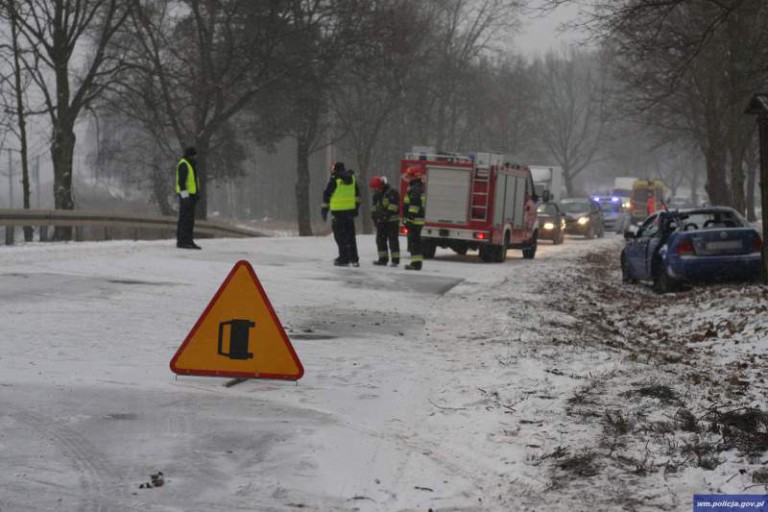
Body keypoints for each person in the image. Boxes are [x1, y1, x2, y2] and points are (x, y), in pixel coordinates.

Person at [321, 162, 361, 267]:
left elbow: (327, 195)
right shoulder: (352, 179)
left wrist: (324, 210)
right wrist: (356, 208)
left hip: (338, 214)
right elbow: (357, 196)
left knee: (340, 237)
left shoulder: (335, 180)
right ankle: (354, 258)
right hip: (349, 214)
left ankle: (343, 258)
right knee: (351, 237)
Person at [369, 175, 400, 266]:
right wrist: (374, 217)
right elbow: (374, 208)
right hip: (381, 222)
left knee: (393, 241)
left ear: (381, 185)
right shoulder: (377, 195)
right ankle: (383, 259)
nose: (375, 190)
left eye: (376, 188)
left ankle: (395, 260)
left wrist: (385, 216)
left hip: (392, 221)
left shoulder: (392, 192)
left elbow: (394, 206)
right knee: (380, 240)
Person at [175, 146, 201, 249]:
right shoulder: (184, 164)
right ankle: (182, 241)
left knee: (189, 220)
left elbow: (193, 181)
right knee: (185, 219)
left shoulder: (190, 164)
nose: (195, 157)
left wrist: (197, 194)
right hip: (186, 196)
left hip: (191, 195)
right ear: (191, 155)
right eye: (194, 155)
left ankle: (189, 240)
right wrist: (185, 196)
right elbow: (181, 182)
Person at [402, 166, 426, 270]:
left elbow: (414, 206)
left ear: (414, 177)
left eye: (409, 176)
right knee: (415, 242)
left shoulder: (415, 189)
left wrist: (410, 219)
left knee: (414, 242)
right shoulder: (417, 187)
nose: (407, 178)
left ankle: (416, 264)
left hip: (415, 220)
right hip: (417, 220)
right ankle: (416, 263)